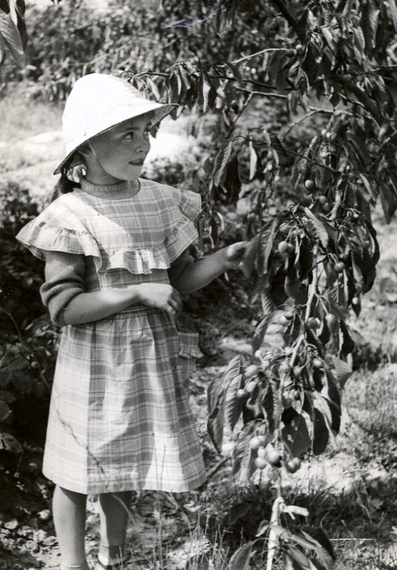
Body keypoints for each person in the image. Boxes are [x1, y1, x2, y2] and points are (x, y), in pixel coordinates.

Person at [16, 73, 247, 570]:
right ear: (84, 155)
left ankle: (112, 555)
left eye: (146, 130)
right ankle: (74, 564)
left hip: (147, 360)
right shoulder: (71, 215)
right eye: (127, 133)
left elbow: (181, 278)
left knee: (124, 464)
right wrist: (136, 291)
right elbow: (64, 308)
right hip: (94, 368)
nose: (144, 142)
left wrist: (224, 259)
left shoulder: (161, 200)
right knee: (77, 472)